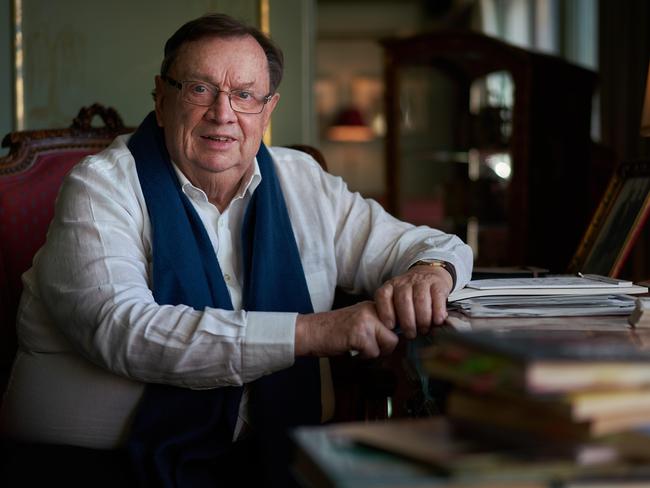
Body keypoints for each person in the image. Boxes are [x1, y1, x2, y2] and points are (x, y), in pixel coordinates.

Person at [0, 13, 472, 487]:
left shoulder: (301, 179)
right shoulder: (98, 187)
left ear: (267, 111)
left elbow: (433, 245)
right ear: (162, 99)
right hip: (92, 469)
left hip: (279, 461)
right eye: (199, 89)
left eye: (244, 95)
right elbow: (123, 330)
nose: (223, 114)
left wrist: (429, 270)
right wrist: (315, 333)